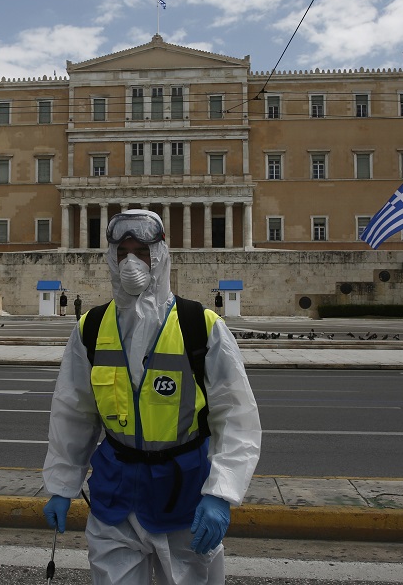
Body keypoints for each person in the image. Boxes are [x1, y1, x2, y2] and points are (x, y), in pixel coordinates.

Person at [42, 210, 261, 585]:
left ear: (159, 255)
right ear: (111, 257)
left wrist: (221, 493)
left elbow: (236, 417)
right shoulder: (91, 329)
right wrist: (62, 486)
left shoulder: (201, 326)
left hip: (184, 494)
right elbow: (73, 414)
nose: (131, 262)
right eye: (123, 251)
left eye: (141, 251)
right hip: (116, 496)